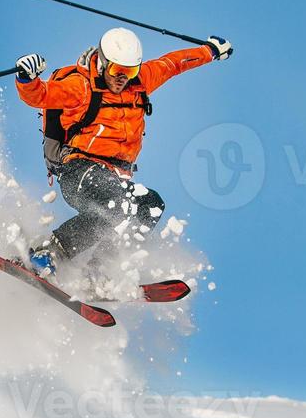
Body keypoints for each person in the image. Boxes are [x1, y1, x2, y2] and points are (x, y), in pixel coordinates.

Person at [15, 28, 233, 275]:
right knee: (118, 205)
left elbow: (173, 64)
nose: (122, 78)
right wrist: (26, 78)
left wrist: (210, 51)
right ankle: (48, 253)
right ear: (104, 63)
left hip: (115, 177)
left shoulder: (139, 83)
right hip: (79, 171)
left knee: (149, 205)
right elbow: (42, 95)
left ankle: (100, 271)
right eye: (117, 70)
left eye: (130, 71)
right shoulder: (82, 87)